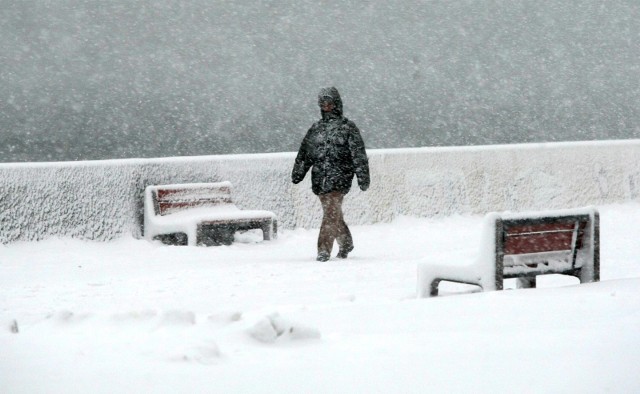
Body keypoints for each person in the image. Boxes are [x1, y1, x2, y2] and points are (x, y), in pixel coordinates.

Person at [291, 87, 370, 262]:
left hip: (340, 179)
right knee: (333, 213)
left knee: (331, 213)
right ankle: (346, 242)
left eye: (329, 102)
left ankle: (323, 250)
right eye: (322, 103)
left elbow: (358, 155)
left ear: (336, 104)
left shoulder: (347, 127)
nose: (326, 106)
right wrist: (298, 172)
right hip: (320, 180)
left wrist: (363, 177)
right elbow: (305, 153)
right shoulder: (316, 128)